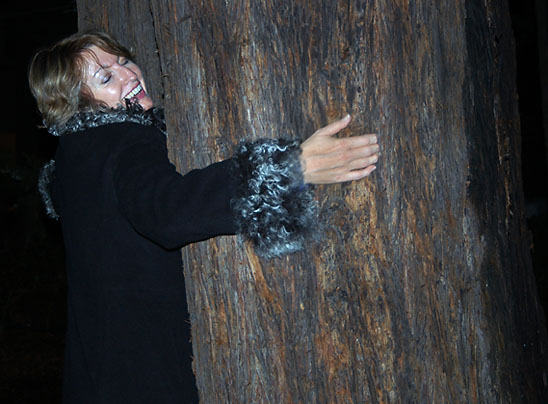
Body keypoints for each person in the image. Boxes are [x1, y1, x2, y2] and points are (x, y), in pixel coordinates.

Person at [28, 31, 380, 403]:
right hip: (145, 375)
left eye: (122, 60)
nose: (128, 74)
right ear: (80, 104)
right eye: (106, 78)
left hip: (101, 372)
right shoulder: (122, 139)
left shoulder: (76, 161)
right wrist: (287, 170)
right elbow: (168, 212)